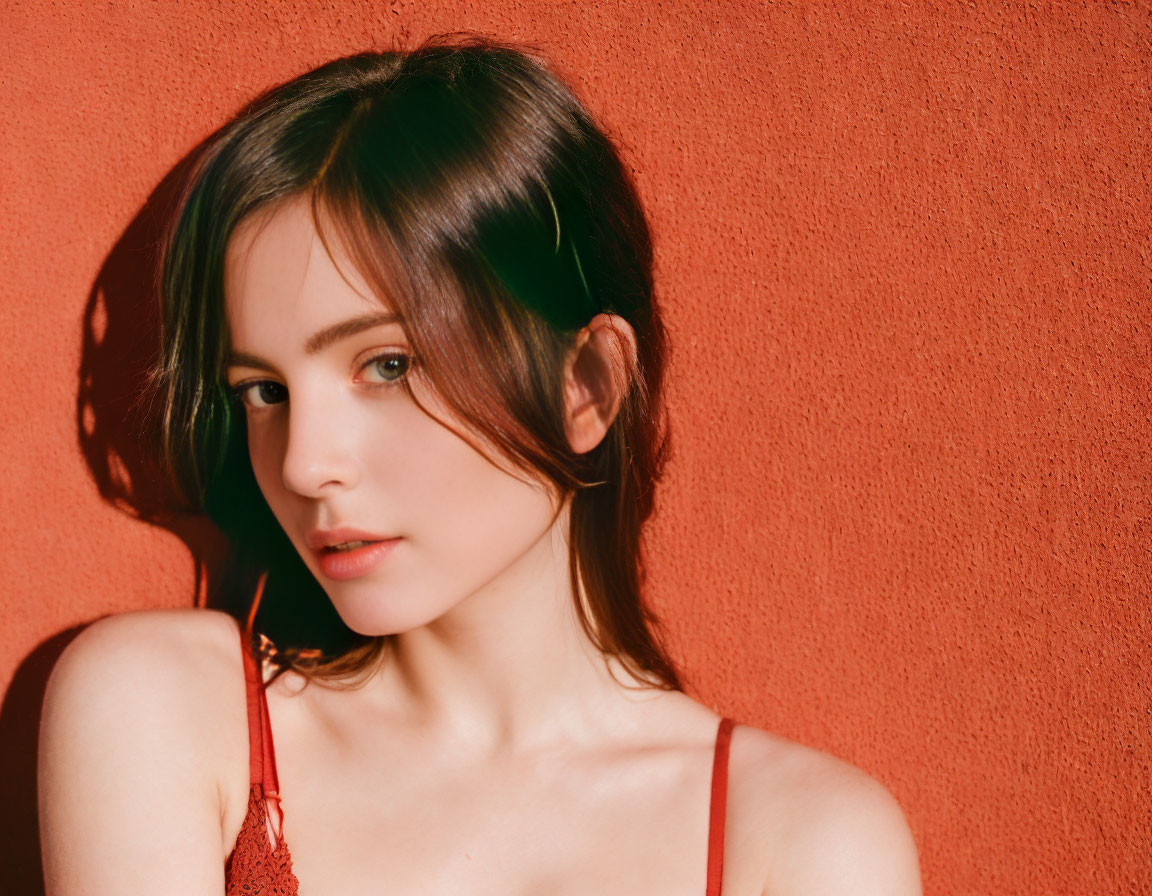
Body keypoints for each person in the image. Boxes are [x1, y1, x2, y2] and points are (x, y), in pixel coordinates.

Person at [38, 34, 921, 895]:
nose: (304, 464)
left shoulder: (803, 844)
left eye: (387, 365)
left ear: (587, 385)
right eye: (263, 391)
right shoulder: (165, 713)